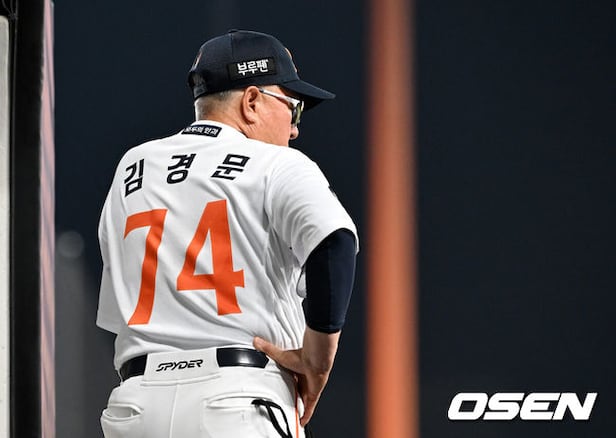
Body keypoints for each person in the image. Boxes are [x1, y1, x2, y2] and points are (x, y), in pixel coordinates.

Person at [96, 29, 358, 438]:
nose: (294, 129)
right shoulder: (276, 163)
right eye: (294, 108)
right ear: (252, 101)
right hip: (236, 400)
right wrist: (317, 361)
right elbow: (333, 241)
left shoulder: (133, 167)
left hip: (137, 406)